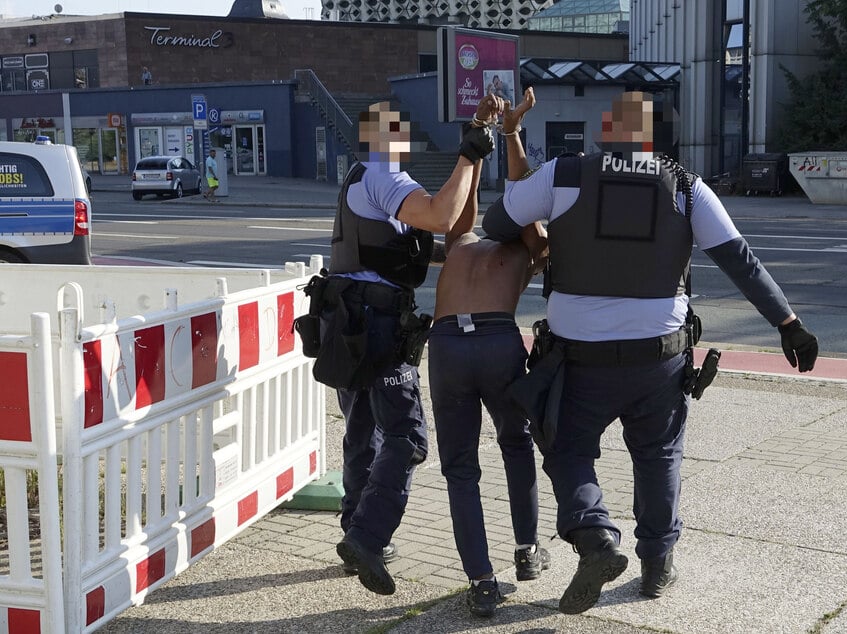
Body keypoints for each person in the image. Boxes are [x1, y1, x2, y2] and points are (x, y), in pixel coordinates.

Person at [482, 90, 819, 614]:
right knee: (659, 455)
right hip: (659, 360)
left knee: (567, 449)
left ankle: (596, 539)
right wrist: (788, 323)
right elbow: (740, 260)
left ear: (616, 126)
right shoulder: (687, 187)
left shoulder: (564, 174)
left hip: (578, 361)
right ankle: (657, 564)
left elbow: (496, 224)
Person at [297, 97, 500, 596]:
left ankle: (355, 529)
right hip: (377, 323)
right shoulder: (385, 176)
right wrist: (468, 154)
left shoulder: (362, 178)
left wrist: (473, 160)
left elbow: (453, 231)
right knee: (407, 436)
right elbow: (439, 215)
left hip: (348, 322)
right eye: (397, 130)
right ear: (383, 137)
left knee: (362, 431)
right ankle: (367, 536)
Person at [428, 87, 550, 618]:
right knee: (516, 443)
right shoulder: (528, 249)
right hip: (499, 343)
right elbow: (514, 198)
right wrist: (505, 133)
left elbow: (464, 203)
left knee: (460, 469)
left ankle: (481, 582)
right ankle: (526, 549)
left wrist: (483, 133)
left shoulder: (460, 246)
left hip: (448, 344)